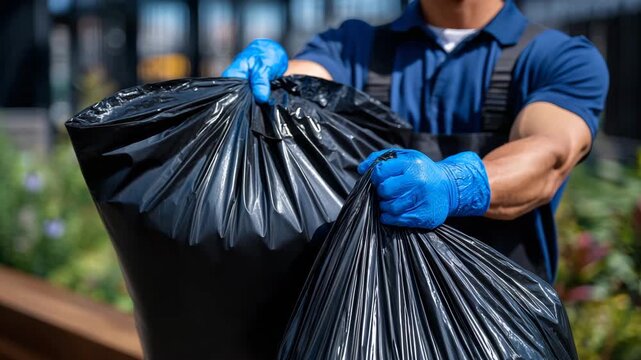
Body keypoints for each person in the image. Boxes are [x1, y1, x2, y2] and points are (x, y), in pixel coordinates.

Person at [222, 0, 609, 283]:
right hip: (367, 320)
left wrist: (455, 185)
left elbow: (549, 155)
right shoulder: (354, 47)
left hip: (499, 326)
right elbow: (303, 81)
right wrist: (269, 82)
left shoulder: (557, 58)